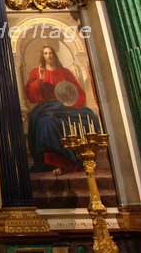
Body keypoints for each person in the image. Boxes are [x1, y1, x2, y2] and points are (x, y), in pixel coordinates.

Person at [25, 45, 99, 175]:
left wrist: (71, 103)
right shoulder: (36, 72)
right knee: (46, 122)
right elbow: (31, 96)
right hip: (46, 108)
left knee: (89, 116)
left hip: (66, 107)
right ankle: (58, 163)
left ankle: (84, 158)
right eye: (46, 53)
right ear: (42, 56)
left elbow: (79, 93)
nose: (49, 56)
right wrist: (40, 79)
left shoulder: (65, 72)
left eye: (51, 53)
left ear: (54, 55)